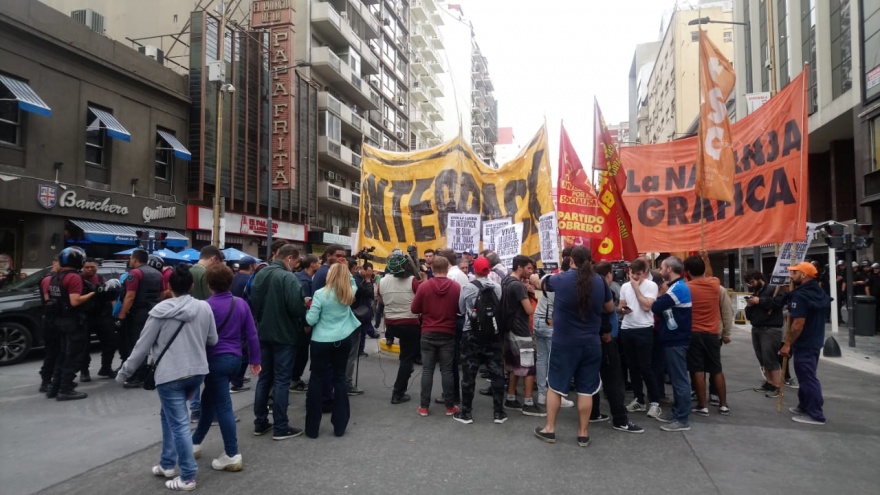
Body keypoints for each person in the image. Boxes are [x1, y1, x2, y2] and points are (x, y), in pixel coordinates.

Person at [115, 264, 218, 492]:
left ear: (169, 286)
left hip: (170, 375)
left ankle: (188, 476)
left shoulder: (159, 312)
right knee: (170, 415)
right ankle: (167, 463)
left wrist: (124, 372)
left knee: (179, 422)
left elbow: (141, 347)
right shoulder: (204, 308)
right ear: (191, 285)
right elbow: (212, 339)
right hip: (197, 372)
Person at [534, 246, 613, 446]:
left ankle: (550, 429)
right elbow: (610, 307)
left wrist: (536, 276)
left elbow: (539, 282)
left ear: (571, 261)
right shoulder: (599, 281)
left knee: (556, 386)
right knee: (586, 389)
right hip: (591, 343)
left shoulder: (561, 279)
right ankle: (583, 433)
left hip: (564, 343)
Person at [191, 264, 261, 471]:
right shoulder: (240, 304)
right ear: (230, 281)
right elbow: (252, 334)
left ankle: (232, 453)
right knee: (209, 402)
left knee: (222, 407)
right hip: (235, 360)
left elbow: (197, 338)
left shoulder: (205, 306)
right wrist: (255, 360)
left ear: (208, 283)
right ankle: (194, 443)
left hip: (213, 361)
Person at [249, 244, 307, 440]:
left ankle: (260, 422)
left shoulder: (260, 274)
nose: (296, 266)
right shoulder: (288, 278)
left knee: (264, 379)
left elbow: (253, 303)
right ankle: (281, 426)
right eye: (297, 262)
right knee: (282, 380)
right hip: (284, 335)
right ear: (289, 258)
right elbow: (297, 309)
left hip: (263, 333)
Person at [304, 263, 361, 438]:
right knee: (340, 378)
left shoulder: (321, 294)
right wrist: (344, 271)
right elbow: (353, 281)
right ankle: (339, 425)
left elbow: (311, 319)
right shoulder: (349, 292)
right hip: (342, 339)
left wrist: (307, 308)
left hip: (321, 340)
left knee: (316, 380)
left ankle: (312, 428)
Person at [593, 262, 644, 433]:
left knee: (591, 380)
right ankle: (620, 419)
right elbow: (605, 311)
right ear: (608, 275)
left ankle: (593, 413)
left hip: (592, 340)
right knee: (613, 381)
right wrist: (605, 331)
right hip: (604, 340)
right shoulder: (601, 289)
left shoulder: (586, 288)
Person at [455, 256, 506, 424]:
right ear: (488, 270)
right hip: (493, 333)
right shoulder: (498, 288)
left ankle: (466, 413)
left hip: (471, 334)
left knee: (469, 374)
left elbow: (461, 309)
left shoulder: (467, 287)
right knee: (497, 372)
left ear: (474, 270)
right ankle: (499, 413)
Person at [781, 262, 832, 426]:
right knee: (805, 375)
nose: (791, 275)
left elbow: (798, 324)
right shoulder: (818, 292)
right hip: (815, 340)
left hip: (804, 342)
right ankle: (804, 406)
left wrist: (787, 344)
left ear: (803, 275)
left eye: (794, 272)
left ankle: (816, 414)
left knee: (807, 378)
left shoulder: (801, 296)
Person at [411, 255, 461, 417]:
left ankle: (424, 407)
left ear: (432, 268)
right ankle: (449, 406)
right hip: (448, 332)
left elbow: (414, 308)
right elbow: (460, 309)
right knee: (447, 370)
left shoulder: (424, 286)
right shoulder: (455, 287)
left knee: (427, 370)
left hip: (428, 332)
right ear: (447, 268)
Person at [683, 255, 733, 417]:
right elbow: (726, 311)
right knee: (716, 369)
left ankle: (702, 405)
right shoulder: (715, 284)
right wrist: (726, 333)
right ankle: (723, 404)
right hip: (712, 334)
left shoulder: (686, 288)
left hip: (694, 333)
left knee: (697, 370)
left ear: (687, 272)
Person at [44, 247, 95, 400]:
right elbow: (74, 301)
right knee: (73, 356)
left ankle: (55, 387)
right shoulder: (73, 277)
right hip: (72, 322)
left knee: (62, 354)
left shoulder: (55, 276)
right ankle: (65, 389)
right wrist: (93, 293)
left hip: (59, 321)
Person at [651, 256, 693, 432]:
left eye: (662, 268)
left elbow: (656, 306)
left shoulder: (678, 289)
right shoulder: (677, 287)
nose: (661, 272)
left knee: (679, 379)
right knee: (677, 379)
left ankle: (682, 418)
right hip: (674, 338)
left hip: (676, 339)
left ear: (669, 269)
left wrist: (659, 296)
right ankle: (678, 413)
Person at [619, 258, 663, 419]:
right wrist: (623, 309)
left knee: (646, 366)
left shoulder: (651, 286)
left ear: (645, 272)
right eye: (633, 273)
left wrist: (637, 288)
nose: (635, 277)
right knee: (632, 366)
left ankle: (655, 401)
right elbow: (620, 305)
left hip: (644, 328)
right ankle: (639, 398)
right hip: (627, 328)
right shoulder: (624, 286)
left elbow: (646, 306)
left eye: (638, 274)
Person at [378, 252, 422, 405]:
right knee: (406, 358)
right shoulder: (412, 281)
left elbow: (380, 299)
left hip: (391, 323)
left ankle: (406, 370)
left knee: (405, 355)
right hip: (410, 323)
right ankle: (398, 392)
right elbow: (419, 299)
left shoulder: (382, 281)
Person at [116, 249, 163, 389]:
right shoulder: (157, 273)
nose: (130, 260)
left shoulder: (135, 273)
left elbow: (130, 296)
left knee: (136, 343)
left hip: (138, 313)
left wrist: (122, 315)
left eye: (131, 258)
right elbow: (162, 294)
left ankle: (138, 375)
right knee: (149, 343)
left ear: (135, 259)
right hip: (153, 311)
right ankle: (145, 372)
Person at [500, 255, 539, 415]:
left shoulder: (505, 281)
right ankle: (528, 402)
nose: (531, 272)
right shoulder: (519, 286)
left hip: (509, 329)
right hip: (521, 331)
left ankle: (510, 397)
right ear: (520, 267)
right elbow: (529, 310)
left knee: (513, 366)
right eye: (528, 268)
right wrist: (532, 293)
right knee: (528, 368)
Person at [744, 270, 786, 396]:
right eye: (749, 283)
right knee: (762, 358)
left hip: (770, 329)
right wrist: (750, 305)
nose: (751, 285)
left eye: (752, 282)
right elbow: (749, 312)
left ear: (758, 278)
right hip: (757, 326)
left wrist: (759, 301)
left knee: (770, 358)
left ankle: (777, 385)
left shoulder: (774, 290)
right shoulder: (756, 292)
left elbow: (778, 303)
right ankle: (769, 382)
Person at [79, 258, 117, 381]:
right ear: (82, 268)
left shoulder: (102, 280)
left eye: (92, 267)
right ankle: (84, 371)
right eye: (87, 267)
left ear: (97, 267)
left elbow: (111, 298)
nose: (90, 269)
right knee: (84, 346)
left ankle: (106, 368)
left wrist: (115, 312)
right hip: (85, 316)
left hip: (103, 316)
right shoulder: (78, 280)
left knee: (110, 342)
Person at [290, 254, 320, 393]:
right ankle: (294, 379)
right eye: (318, 263)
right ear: (312, 264)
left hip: (295, 323)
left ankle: (294, 378)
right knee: (301, 352)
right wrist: (306, 324)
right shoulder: (305, 281)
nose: (319, 265)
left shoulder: (299, 277)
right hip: (301, 324)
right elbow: (306, 304)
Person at [346, 258, 374, 394]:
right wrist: (368, 279)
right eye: (356, 269)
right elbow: (369, 294)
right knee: (351, 353)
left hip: (340, 323)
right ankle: (346, 383)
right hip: (352, 320)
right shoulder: (354, 281)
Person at [38, 256, 61, 393]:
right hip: (51, 321)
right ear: (54, 262)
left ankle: (54, 379)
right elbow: (49, 301)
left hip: (55, 320)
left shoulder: (56, 278)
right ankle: (46, 381)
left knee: (58, 352)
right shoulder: (49, 279)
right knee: (52, 352)